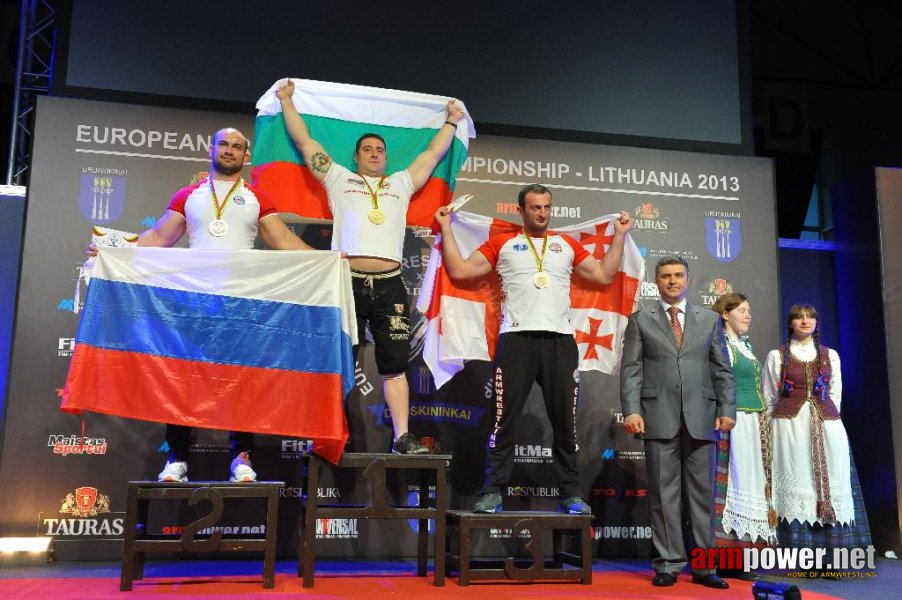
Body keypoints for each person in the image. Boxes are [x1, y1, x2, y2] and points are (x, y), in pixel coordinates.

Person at [90, 127, 314, 483]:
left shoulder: (257, 197)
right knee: (185, 378)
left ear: (246, 156)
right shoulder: (188, 195)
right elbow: (160, 237)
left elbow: (283, 239)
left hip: (241, 303)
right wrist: (117, 248)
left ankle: (241, 458)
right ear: (212, 149)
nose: (229, 150)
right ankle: (177, 458)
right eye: (223, 144)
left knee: (242, 380)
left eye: (237, 146)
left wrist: (328, 258)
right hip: (193, 301)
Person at [277, 79, 465, 454]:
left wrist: (452, 121)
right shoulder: (337, 177)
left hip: (391, 283)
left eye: (380, 150)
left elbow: (431, 155)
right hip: (345, 281)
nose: (376, 154)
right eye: (368, 149)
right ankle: (331, 432)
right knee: (338, 360)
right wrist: (286, 101)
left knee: (395, 363)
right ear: (357, 156)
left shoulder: (401, 183)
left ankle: (403, 438)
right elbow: (306, 143)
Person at [434, 183, 632, 515]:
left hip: (560, 342)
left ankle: (570, 494)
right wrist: (445, 228)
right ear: (522, 210)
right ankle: (493, 490)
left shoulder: (565, 244)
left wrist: (621, 236)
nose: (542, 213)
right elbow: (461, 270)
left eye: (546, 207)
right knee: (502, 421)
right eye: (535, 208)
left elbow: (602, 274)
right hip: (516, 340)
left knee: (565, 425)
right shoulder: (503, 243)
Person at [620, 256, 735, 589]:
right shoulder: (640, 319)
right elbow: (631, 370)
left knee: (702, 496)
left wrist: (727, 407)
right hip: (657, 416)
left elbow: (722, 368)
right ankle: (668, 563)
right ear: (656, 281)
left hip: (702, 417)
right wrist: (631, 409)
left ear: (688, 279)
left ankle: (703, 566)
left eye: (679, 275)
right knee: (663, 494)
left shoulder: (710, 319)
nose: (673, 281)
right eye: (666, 276)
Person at [762, 304, 868, 554]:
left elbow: (835, 393)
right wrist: (767, 434)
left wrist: (827, 419)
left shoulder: (830, 355)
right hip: (789, 428)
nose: (805, 321)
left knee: (830, 479)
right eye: (799, 317)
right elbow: (769, 398)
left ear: (817, 323)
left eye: (810, 317)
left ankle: (832, 549)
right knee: (799, 480)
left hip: (826, 426)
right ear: (790, 324)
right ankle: (798, 548)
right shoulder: (777, 356)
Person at [710, 293, 775, 580]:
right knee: (730, 487)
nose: (748, 316)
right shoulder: (719, 343)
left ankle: (745, 555)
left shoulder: (744, 345)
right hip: (732, 421)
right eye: (743, 311)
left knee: (750, 485)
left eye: (750, 311)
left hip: (753, 422)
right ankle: (724, 558)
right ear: (725, 313)